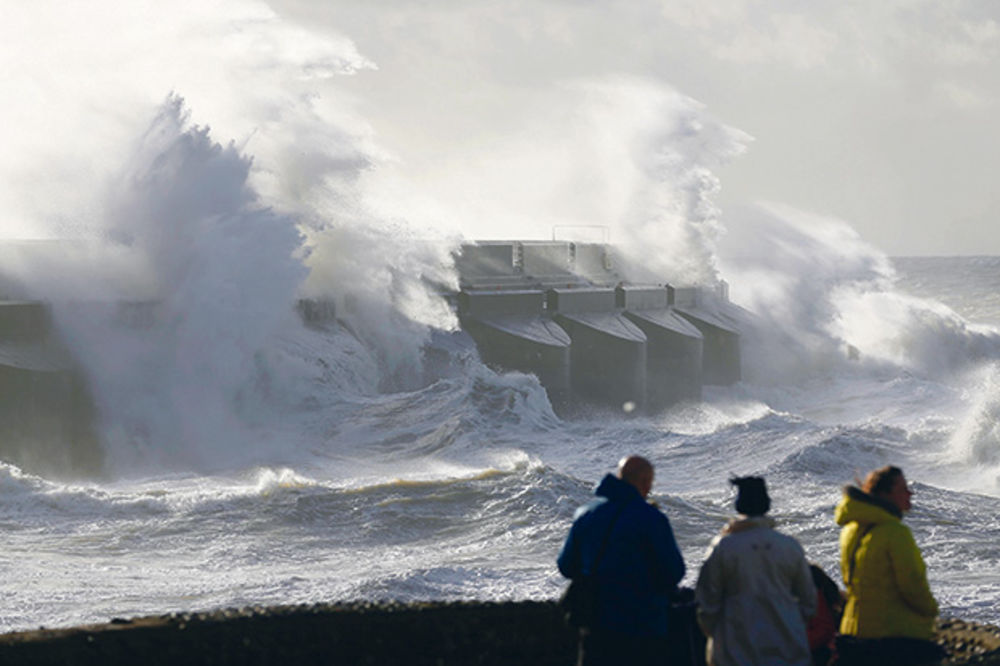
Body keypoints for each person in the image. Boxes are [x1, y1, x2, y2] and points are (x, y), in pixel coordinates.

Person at [557, 455, 686, 666]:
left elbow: (566, 566)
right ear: (645, 483)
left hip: (596, 626)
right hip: (645, 627)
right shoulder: (652, 519)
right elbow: (674, 572)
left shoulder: (585, 514)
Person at [695, 476, 816, 666]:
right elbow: (808, 601)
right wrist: (792, 622)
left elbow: (707, 600)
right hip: (787, 645)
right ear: (767, 504)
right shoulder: (789, 546)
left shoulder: (724, 547)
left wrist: (717, 634)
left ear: (738, 505)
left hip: (735, 647)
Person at [834, 465, 945, 665]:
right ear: (885, 494)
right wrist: (931, 612)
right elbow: (913, 584)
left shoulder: (850, 531)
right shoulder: (894, 532)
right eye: (903, 488)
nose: (910, 493)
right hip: (892, 635)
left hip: (854, 629)